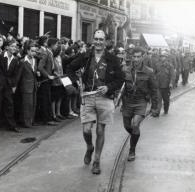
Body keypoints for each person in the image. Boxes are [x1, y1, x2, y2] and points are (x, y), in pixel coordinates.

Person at [67, 29, 124, 174]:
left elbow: (120, 78)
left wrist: (109, 87)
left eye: (101, 39)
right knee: (86, 130)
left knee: (100, 130)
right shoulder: (85, 56)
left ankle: (96, 161)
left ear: (105, 41)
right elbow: (70, 68)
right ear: (93, 40)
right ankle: (89, 147)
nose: (98, 42)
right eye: (96, 39)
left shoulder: (112, 59)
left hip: (105, 98)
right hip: (87, 97)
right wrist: (76, 83)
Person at [121, 47, 158, 162]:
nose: (136, 59)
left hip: (141, 101)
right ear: (131, 57)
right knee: (127, 126)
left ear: (142, 57)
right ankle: (135, 136)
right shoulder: (125, 70)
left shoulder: (149, 71)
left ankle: (132, 150)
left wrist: (154, 107)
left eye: (138, 57)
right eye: (134, 57)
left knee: (135, 124)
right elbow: (121, 86)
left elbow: (154, 90)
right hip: (128, 101)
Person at [0, 39, 20, 132]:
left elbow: (15, 74)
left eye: (15, 47)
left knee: (9, 104)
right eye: (12, 46)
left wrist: (14, 85)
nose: (14, 48)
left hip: (8, 85)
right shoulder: (0, 56)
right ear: (7, 47)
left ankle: (11, 125)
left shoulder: (15, 60)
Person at [17, 40, 38, 128]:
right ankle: (26, 122)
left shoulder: (35, 60)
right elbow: (19, 75)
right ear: (27, 51)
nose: (34, 53)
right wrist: (16, 86)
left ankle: (31, 120)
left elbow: (34, 72)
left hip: (33, 85)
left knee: (33, 104)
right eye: (32, 51)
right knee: (26, 105)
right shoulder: (22, 61)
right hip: (26, 86)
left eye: (35, 51)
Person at [156, 51, 175, 115]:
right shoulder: (157, 65)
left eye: (163, 56)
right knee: (158, 100)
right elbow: (154, 74)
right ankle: (157, 112)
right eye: (161, 56)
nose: (162, 58)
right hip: (158, 85)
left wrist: (171, 83)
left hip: (166, 86)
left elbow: (172, 75)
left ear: (166, 57)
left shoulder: (170, 66)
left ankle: (166, 110)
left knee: (166, 100)